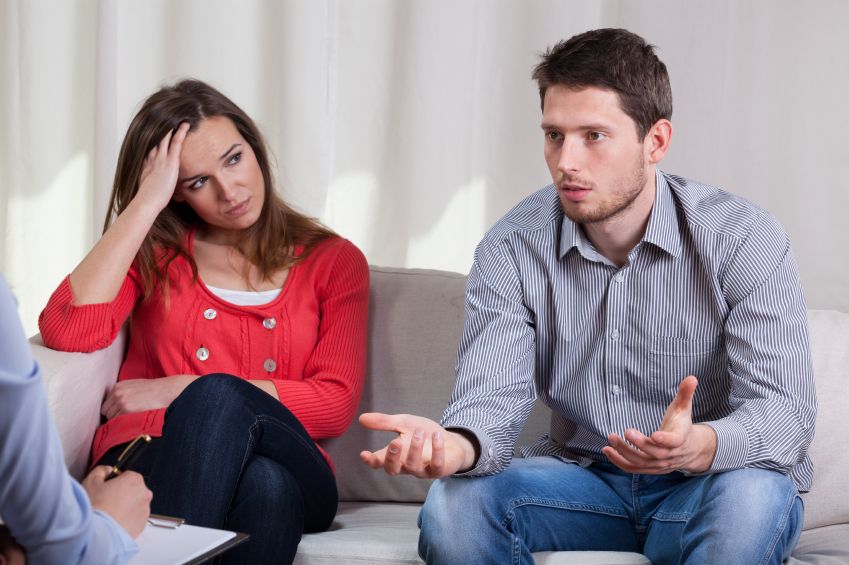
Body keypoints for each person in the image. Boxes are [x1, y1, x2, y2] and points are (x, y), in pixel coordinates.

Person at [359, 28, 815, 564]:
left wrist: (699, 445)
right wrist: (450, 449)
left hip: (708, 482)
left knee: (756, 498)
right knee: (454, 506)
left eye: (593, 136)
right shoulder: (511, 247)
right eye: (554, 135)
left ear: (656, 141)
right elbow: (490, 403)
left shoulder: (742, 236)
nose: (566, 162)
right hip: (581, 483)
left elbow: (784, 413)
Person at [39, 79, 369, 564]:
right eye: (196, 182)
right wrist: (143, 205)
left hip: (293, 461)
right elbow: (69, 329)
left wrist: (180, 388)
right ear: (175, 193)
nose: (229, 190)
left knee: (218, 400)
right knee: (267, 491)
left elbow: (334, 402)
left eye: (234, 159)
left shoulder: (333, 261)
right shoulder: (156, 254)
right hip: (151, 452)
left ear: (254, 148)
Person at [1, 275, 152, 564]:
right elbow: (64, 549)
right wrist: (109, 520)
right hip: (141, 460)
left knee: (265, 483)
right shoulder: (152, 262)